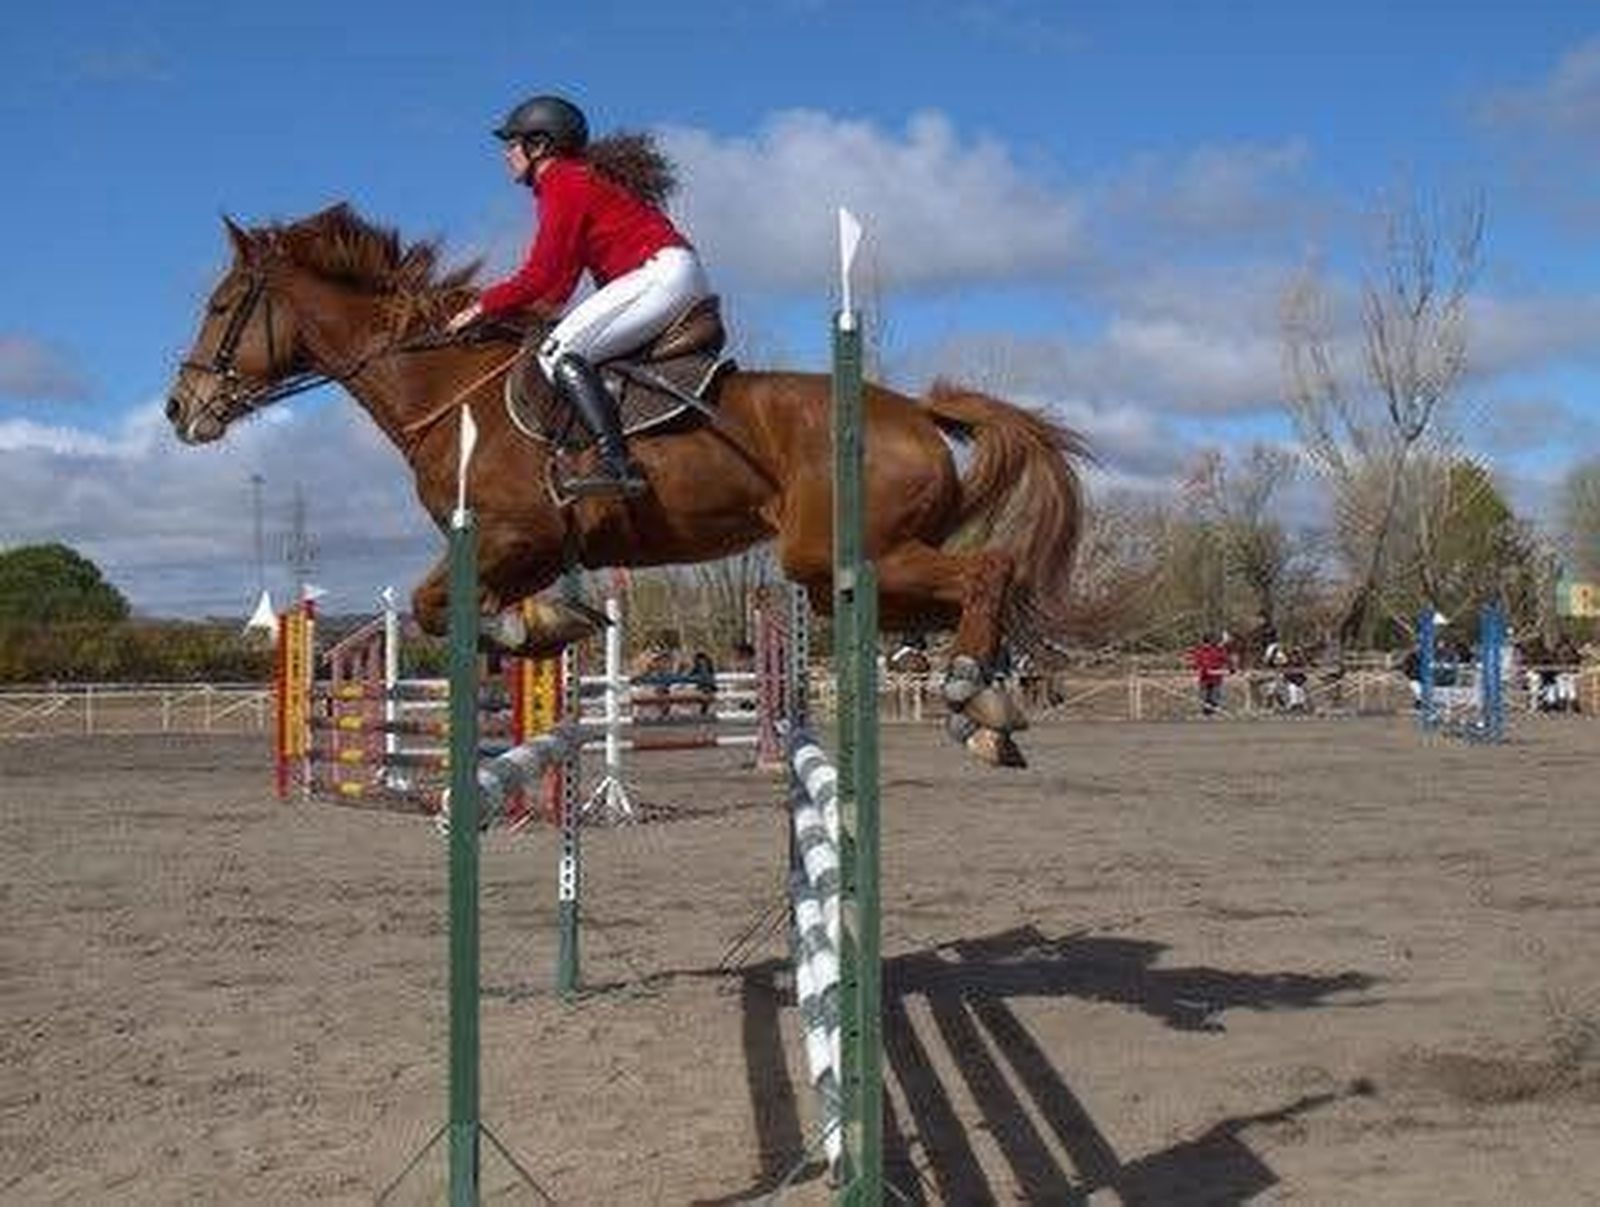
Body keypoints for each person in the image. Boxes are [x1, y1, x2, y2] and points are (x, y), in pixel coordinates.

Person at [446, 94, 711, 494]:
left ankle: (616, 463)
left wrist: (482, 307)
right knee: (569, 344)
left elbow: (540, 276)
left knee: (556, 354)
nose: (506, 154)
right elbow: (557, 289)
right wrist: (512, 315)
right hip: (670, 274)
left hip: (660, 275)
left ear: (539, 145)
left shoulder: (563, 181)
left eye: (512, 143)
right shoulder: (575, 179)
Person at [1188, 632, 1232, 716]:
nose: (1206, 645)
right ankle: (1207, 713)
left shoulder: (1215, 650)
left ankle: (1212, 712)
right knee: (1206, 699)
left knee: (1214, 698)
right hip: (1206, 678)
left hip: (1215, 679)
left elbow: (1225, 659)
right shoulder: (1202, 651)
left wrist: (1229, 668)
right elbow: (1197, 664)